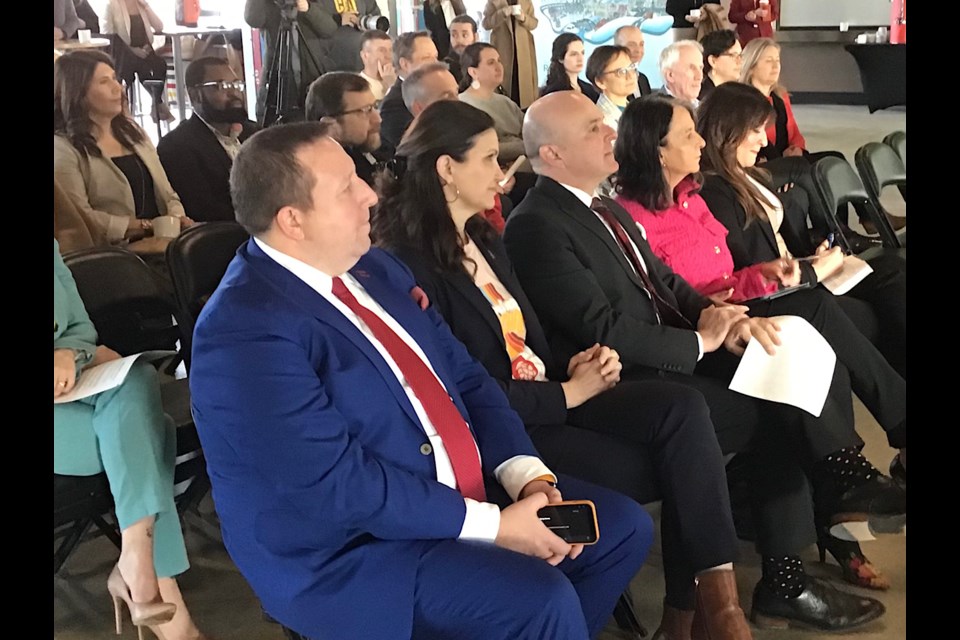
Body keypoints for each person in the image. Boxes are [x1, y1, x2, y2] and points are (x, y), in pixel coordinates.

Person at [188, 119, 654, 640]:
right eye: (346, 188)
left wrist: (529, 477)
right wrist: (496, 526)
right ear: (293, 221)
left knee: (620, 531)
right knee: (537, 599)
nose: (369, 194)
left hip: (456, 496)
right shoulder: (244, 332)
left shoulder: (375, 271)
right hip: (352, 551)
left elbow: (467, 380)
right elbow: (337, 487)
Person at [503, 91, 899, 632]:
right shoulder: (538, 223)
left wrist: (726, 319)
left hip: (671, 347)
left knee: (797, 324)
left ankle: (834, 489)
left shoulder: (602, 205)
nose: (609, 133)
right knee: (773, 407)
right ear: (552, 154)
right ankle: (790, 558)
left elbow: (667, 286)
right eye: (594, 127)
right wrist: (700, 345)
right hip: (619, 377)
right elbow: (601, 328)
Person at [372, 99, 753, 640]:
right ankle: (693, 616)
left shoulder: (481, 239)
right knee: (680, 467)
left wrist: (573, 365)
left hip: (550, 391)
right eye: (486, 160)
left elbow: (525, 337)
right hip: (511, 426)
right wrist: (570, 392)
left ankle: (711, 610)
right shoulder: (409, 263)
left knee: (684, 411)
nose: (503, 176)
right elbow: (460, 390)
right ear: (446, 169)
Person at [613, 92, 908, 589]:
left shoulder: (692, 200)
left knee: (814, 351)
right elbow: (677, 300)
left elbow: (726, 278)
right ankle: (853, 470)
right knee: (811, 321)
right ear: (657, 150)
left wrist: (765, 274)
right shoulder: (632, 218)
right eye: (688, 135)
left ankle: (818, 532)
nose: (700, 140)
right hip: (699, 339)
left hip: (738, 315)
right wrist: (746, 293)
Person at [696, 82, 908, 382]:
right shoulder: (716, 191)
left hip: (802, 273)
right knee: (878, 311)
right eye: (754, 130)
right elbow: (752, 266)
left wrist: (813, 258)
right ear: (727, 130)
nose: (762, 140)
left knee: (892, 270)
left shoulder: (746, 174)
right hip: (788, 289)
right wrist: (813, 269)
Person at [54, 238, 209, 640]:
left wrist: (73, 353)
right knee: (148, 428)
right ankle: (150, 579)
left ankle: (138, 562)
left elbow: (80, 329)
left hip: (78, 394)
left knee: (137, 379)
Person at [738, 38, 893, 244]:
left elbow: (794, 131)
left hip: (791, 158)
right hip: (766, 162)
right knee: (816, 172)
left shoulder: (780, 96)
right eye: (768, 61)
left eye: (778, 60)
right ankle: (838, 232)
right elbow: (753, 144)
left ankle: (864, 219)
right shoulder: (745, 99)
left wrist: (797, 148)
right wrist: (787, 162)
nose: (776, 65)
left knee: (832, 160)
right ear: (752, 65)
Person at [54, 51, 190, 245]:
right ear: (77, 91)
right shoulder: (62, 147)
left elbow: (167, 193)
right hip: (112, 253)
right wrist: (143, 226)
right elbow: (79, 216)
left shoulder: (133, 133)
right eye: (103, 82)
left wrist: (177, 217)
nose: (117, 88)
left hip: (163, 243)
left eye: (115, 79)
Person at [157, 57, 259, 222]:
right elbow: (202, 210)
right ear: (195, 94)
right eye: (221, 86)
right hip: (227, 237)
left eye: (236, 84)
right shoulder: (177, 146)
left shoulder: (255, 133)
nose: (234, 93)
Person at [244, 0, 337, 119]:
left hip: (311, 74)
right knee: (275, 124)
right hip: (277, 76)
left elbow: (329, 29)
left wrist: (308, 9)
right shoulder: (268, 5)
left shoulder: (312, 3)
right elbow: (252, 19)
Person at [305, 71, 386, 186]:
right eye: (365, 111)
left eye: (374, 106)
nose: (378, 119)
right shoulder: (326, 181)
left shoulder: (363, 151)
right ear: (329, 125)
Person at [101, 0, 173, 122]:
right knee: (136, 68)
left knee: (160, 64)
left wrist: (146, 6)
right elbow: (108, 34)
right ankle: (157, 104)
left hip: (145, 50)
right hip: (122, 51)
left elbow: (159, 27)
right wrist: (133, 50)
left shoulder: (141, 5)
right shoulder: (111, 4)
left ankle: (155, 104)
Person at [458, 43, 526, 164]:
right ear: (473, 72)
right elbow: (478, 148)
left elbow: (528, 133)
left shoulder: (505, 102)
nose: (498, 66)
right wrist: (524, 147)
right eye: (490, 62)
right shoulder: (462, 104)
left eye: (499, 61)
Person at [378, 30, 439, 152]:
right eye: (427, 58)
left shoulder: (434, 92)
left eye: (436, 57)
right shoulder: (393, 105)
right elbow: (414, 148)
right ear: (405, 64)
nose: (436, 64)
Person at [483, 0, 539, 108]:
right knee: (505, 84)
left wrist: (523, 17)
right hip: (502, 50)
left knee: (524, 87)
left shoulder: (526, 2)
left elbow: (534, 23)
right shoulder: (493, 2)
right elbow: (486, 24)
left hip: (523, 52)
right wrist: (502, 13)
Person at [317, 0, 383, 72]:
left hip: (362, 62)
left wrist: (362, 21)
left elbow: (378, 24)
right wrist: (338, 19)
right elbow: (313, 19)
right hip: (330, 64)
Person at [585, 45, 638, 130]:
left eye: (631, 67)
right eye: (621, 72)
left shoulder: (634, 108)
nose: (631, 75)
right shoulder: (602, 121)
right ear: (600, 82)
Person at [539, 34, 599, 103]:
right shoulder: (553, 93)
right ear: (560, 58)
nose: (580, 59)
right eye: (574, 54)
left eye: (582, 53)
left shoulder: (590, 89)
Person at [697, 29, 741, 101]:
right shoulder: (704, 99)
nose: (739, 61)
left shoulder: (739, 93)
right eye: (733, 55)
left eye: (740, 55)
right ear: (713, 61)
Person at [658, 40, 704, 107]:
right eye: (692, 68)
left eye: (700, 68)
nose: (699, 77)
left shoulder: (706, 108)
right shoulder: (653, 111)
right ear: (670, 75)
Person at [612, 25, 652, 98]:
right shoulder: (612, 82)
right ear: (616, 48)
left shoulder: (643, 79)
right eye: (631, 45)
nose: (638, 50)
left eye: (641, 44)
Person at [358, 29, 397, 101]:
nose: (388, 56)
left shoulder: (403, 83)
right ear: (365, 55)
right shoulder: (357, 88)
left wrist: (394, 84)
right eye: (382, 50)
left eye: (391, 50)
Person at [445, 14, 480, 83]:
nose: (459, 40)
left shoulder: (482, 64)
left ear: (475, 37)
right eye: (454, 35)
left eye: (465, 35)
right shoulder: (445, 68)